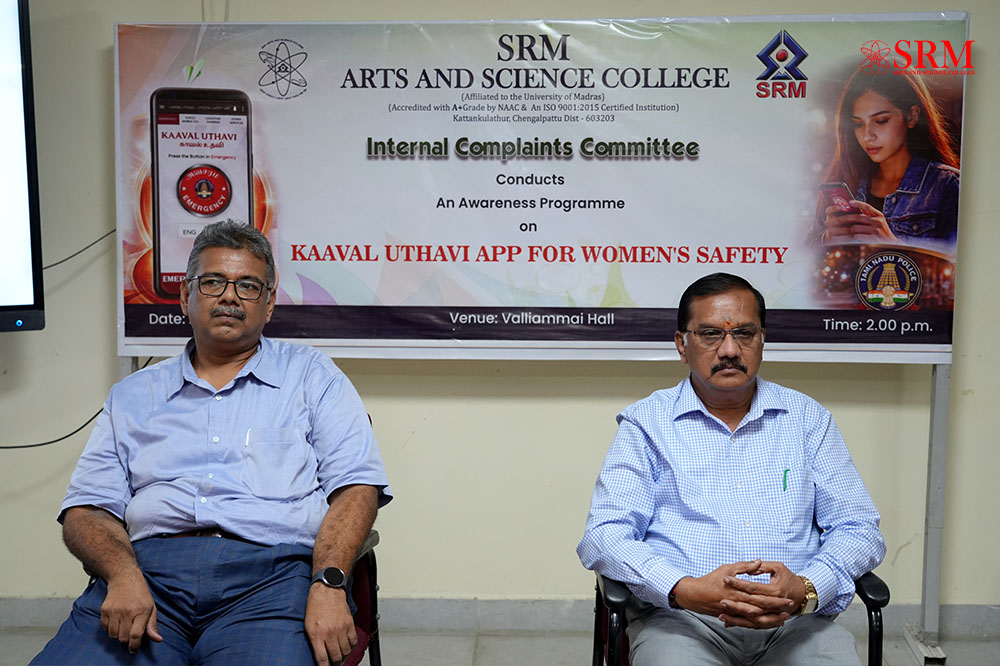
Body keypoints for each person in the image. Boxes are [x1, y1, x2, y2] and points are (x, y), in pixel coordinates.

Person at [32, 221, 391, 666]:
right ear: (185, 294)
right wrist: (122, 575)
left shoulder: (313, 377)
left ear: (269, 303)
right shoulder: (133, 395)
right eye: (213, 282)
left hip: (274, 583)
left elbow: (356, 488)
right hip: (148, 577)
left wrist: (329, 583)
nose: (229, 296)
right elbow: (87, 509)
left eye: (248, 286)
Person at [577, 272, 885, 666]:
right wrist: (682, 589)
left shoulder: (807, 419)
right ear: (682, 345)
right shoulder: (647, 423)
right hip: (683, 622)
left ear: (762, 340)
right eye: (710, 335)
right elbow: (604, 535)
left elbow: (859, 528)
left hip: (797, 623)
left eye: (744, 333)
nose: (729, 349)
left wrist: (808, 588)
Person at [819, 69, 960, 254]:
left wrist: (892, 245)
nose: (867, 136)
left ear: (912, 116)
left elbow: (957, 267)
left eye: (880, 121)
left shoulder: (947, 186)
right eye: (858, 124)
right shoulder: (846, 179)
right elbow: (800, 260)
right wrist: (828, 240)